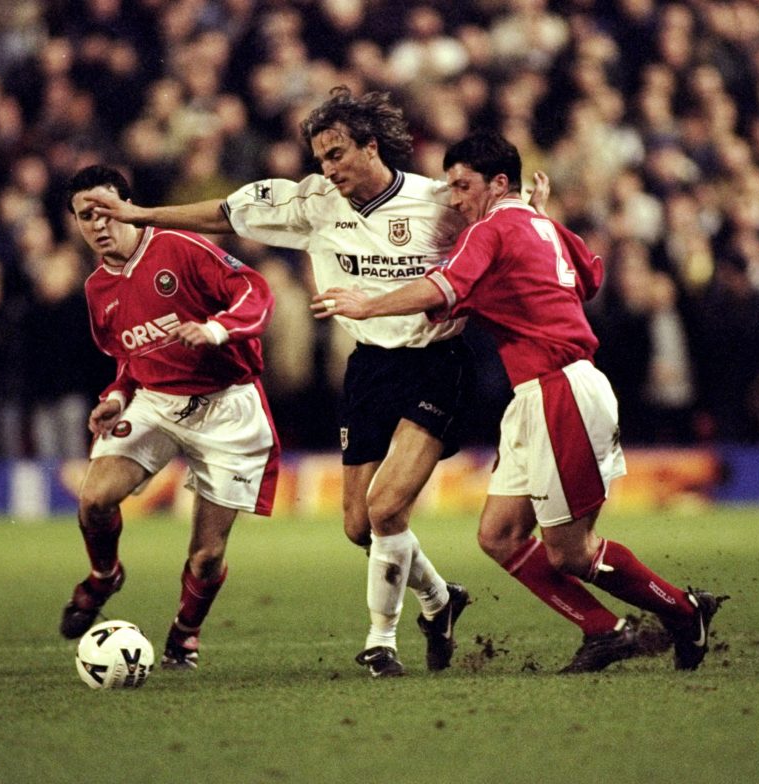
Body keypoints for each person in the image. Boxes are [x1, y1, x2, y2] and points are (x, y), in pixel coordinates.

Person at [87, 87, 471, 677]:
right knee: (357, 525)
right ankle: (440, 600)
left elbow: (501, 234)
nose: (328, 169)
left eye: (338, 154)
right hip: (370, 364)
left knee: (388, 506)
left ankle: (382, 640)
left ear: (372, 147)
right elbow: (226, 214)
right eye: (320, 158)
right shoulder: (314, 203)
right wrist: (142, 216)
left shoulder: (438, 202)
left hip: (436, 362)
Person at [312, 130, 721, 673]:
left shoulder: (493, 229)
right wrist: (538, 221)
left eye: (462, 186)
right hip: (535, 395)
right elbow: (589, 279)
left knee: (570, 551)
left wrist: (368, 306)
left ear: (499, 182)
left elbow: (443, 288)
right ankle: (604, 629)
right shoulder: (538, 224)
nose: (454, 199)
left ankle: (682, 609)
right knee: (499, 536)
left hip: (562, 391)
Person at [60, 164, 280, 672]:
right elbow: (127, 358)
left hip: (227, 406)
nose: (96, 223)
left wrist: (218, 329)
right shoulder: (97, 289)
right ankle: (104, 576)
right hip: (156, 402)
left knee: (205, 555)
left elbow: (255, 291)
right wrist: (116, 396)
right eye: (83, 216)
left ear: (128, 208)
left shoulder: (178, 248)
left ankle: (184, 635)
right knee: (94, 499)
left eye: (105, 210)